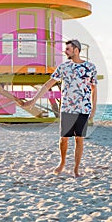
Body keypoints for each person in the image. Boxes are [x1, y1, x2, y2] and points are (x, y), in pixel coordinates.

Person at [24, 40, 97, 178]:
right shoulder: (63, 67)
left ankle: (76, 168)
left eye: (68, 49)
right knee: (64, 138)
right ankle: (62, 162)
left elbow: (94, 88)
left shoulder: (90, 67)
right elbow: (47, 85)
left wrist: (93, 108)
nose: (65, 51)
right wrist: (34, 99)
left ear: (76, 50)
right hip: (67, 108)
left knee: (79, 139)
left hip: (83, 108)